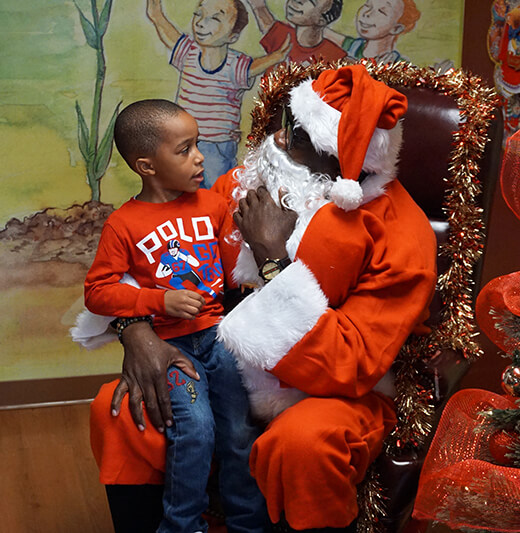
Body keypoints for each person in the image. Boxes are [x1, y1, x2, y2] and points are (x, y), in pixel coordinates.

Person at [80, 64, 438, 532]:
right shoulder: (248, 182)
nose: (280, 141)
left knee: (304, 443)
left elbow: (352, 363)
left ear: (345, 162)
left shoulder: (401, 235)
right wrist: (136, 330)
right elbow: (152, 254)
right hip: (216, 358)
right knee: (121, 413)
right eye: (286, 124)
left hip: (328, 387)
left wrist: (273, 260)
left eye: (300, 138)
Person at [75, 99, 268, 533]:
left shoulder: (213, 207)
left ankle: (249, 525)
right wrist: (157, 303)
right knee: (195, 431)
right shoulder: (123, 225)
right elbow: (98, 293)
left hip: (220, 337)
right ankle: (182, 526)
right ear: (147, 166)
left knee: (239, 432)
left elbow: (236, 273)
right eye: (184, 150)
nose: (199, 157)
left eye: (197, 145)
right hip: (172, 348)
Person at [145, 0, 291, 187]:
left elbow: (258, 66)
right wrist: (155, 12)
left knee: (217, 192)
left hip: (218, 146)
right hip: (183, 142)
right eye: (198, 14)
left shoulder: (235, 65)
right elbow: (163, 25)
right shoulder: (188, 52)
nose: (200, 22)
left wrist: (278, 55)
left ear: (232, 36)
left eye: (215, 18)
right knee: (184, 193)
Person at [244, 0, 348, 67]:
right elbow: (260, 8)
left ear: (322, 20)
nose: (297, 1)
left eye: (311, 1)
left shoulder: (334, 56)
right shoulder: (282, 35)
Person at [322, 0, 419, 63]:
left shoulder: (398, 63)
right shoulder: (354, 46)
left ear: (396, 28)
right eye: (367, 5)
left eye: (382, 11)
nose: (367, 14)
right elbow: (324, 32)